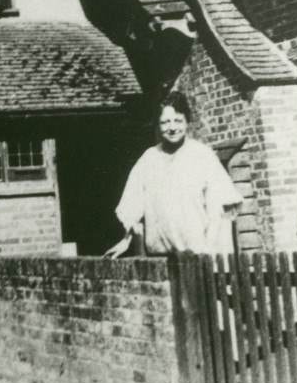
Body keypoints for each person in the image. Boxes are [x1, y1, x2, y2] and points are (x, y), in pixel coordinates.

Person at [104, 92, 243, 258]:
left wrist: (209, 252)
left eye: (178, 121)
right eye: (165, 122)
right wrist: (126, 240)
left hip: (197, 256)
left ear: (187, 121)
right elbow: (132, 205)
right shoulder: (149, 158)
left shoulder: (202, 155)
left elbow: (220, 210)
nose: (172, 128)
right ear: (157, 124)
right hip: (160, 258)